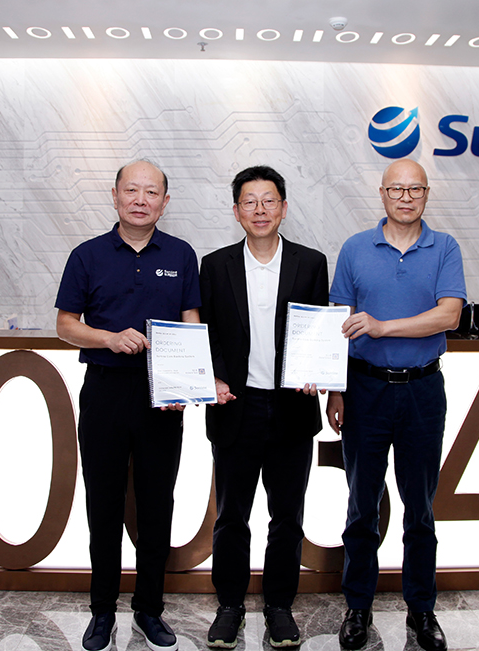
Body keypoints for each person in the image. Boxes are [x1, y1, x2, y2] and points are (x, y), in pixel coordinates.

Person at [55, 160, 201, 651]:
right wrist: (108, 338)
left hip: (162, 397)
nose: (141, 200)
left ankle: (149, 609)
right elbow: (65, 325)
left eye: (151, 192)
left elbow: (191, 322)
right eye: (132, 190)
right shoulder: (87, 255)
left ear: (165, 201)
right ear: (115, 196)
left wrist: (184, 384)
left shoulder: (181, 254)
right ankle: (102, 611)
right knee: (104, 503)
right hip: (105, 391)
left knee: (158, 505)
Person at [326, 159, 466, 651]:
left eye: (415, 189)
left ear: (426, 194)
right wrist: (336, 388)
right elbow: (339, 322)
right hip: (364, 389)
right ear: (382, 193)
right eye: (396, 189)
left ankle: (421, 609)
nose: (406, 198)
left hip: (422, 391)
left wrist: (384, 327)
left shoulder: (445, 247)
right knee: (362, 505)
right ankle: (357, 607)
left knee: (420, 508)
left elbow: (449, 315)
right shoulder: (354, 249)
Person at [199, 165, 329, 648]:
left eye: (268, 200)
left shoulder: (310, 263)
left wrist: (319, 371)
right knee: (232, 516)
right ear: (236, 211)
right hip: (236, 406)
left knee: (287, 516)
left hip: (292, 406)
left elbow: (318, 330)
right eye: (249, 202)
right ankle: (229, 607)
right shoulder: (215, 265)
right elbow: (206, 332)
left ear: (284, 208)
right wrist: (212, 376)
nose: (259, 210)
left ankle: (279, 607)